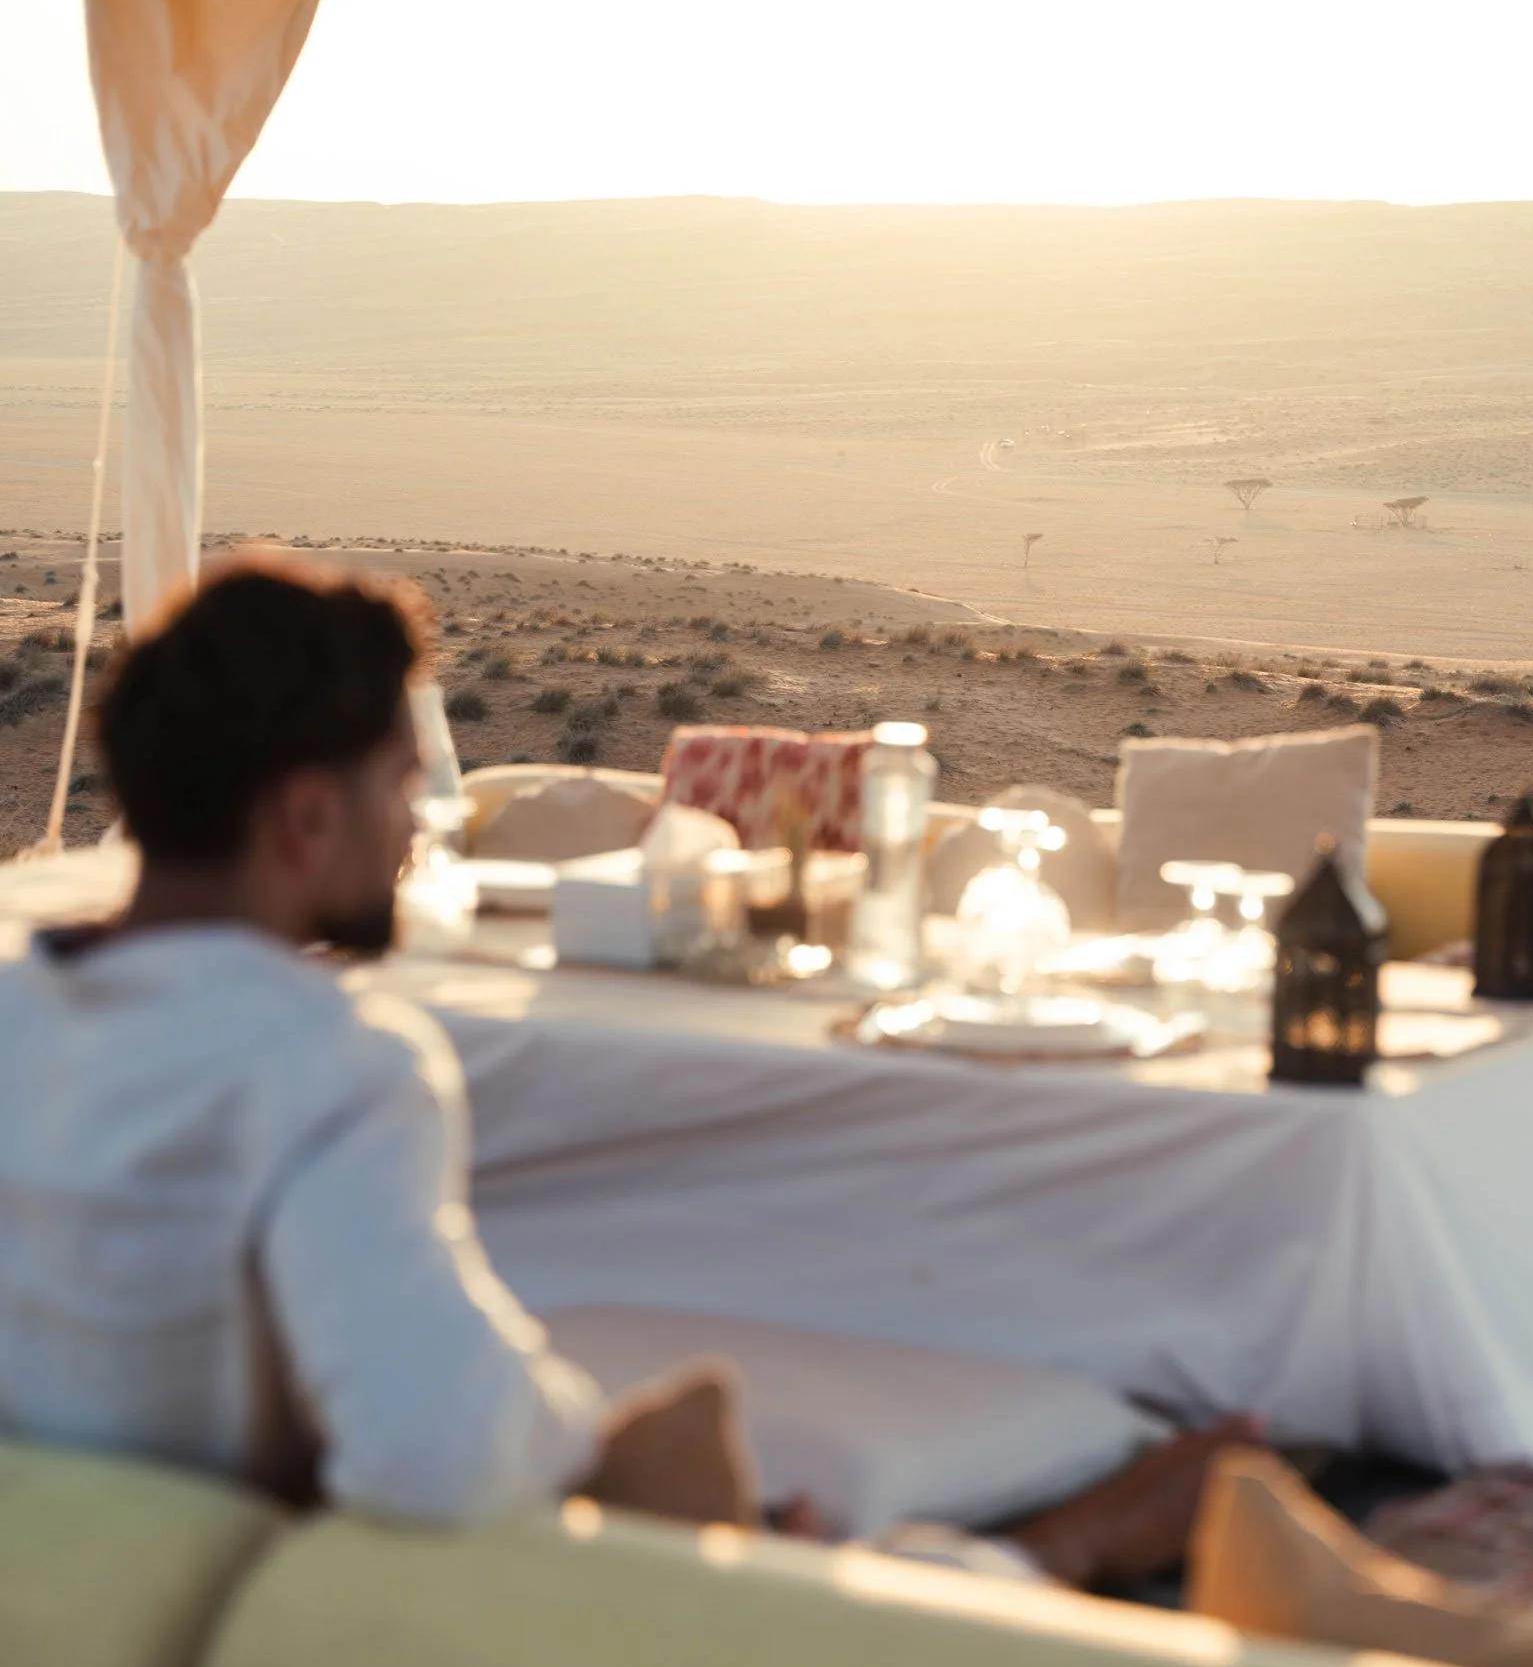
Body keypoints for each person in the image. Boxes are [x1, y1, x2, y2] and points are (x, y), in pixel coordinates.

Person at [0, 555, 1250, 1587]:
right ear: (305, 817)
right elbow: (441, 1456)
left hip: (77, 1579)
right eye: (398, 787)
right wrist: (604, 1454)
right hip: (290, 1616)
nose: (418, 827)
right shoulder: (331, 1067)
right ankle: (1078, 1543)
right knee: (697, 1443)